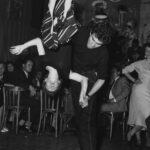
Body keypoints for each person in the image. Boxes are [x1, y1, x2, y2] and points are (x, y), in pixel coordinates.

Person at [70, 19, 112, 150]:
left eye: (98, 44)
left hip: (90, 79)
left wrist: (88, 95)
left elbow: (101, 79)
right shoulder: (80, 33)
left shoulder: (103, 52)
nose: (93, 44)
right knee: (80, 119)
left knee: (86, 120)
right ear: (91, 31)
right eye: (93, 39)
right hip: (74, 76)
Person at [10, 38, 88, 108]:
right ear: (58, 83)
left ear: (45, 81)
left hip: (52, 30)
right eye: (54, 88)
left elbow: (38, 41)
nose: (52, 86)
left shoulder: (43, 64)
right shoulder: (66, 73)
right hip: (67, 33)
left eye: (49, 87)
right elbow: (84, 79)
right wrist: (82, 95)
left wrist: (23, 46)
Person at [122, 43, 150, 145]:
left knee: (141, 115)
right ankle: (132, 133)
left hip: (148, 93)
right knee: (146, 116)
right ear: (144, 53)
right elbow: (124, 70)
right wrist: (134, 80)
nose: (149, 52)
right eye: (147, 50)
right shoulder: (140, 63)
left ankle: (137, 140)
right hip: (139, 92)